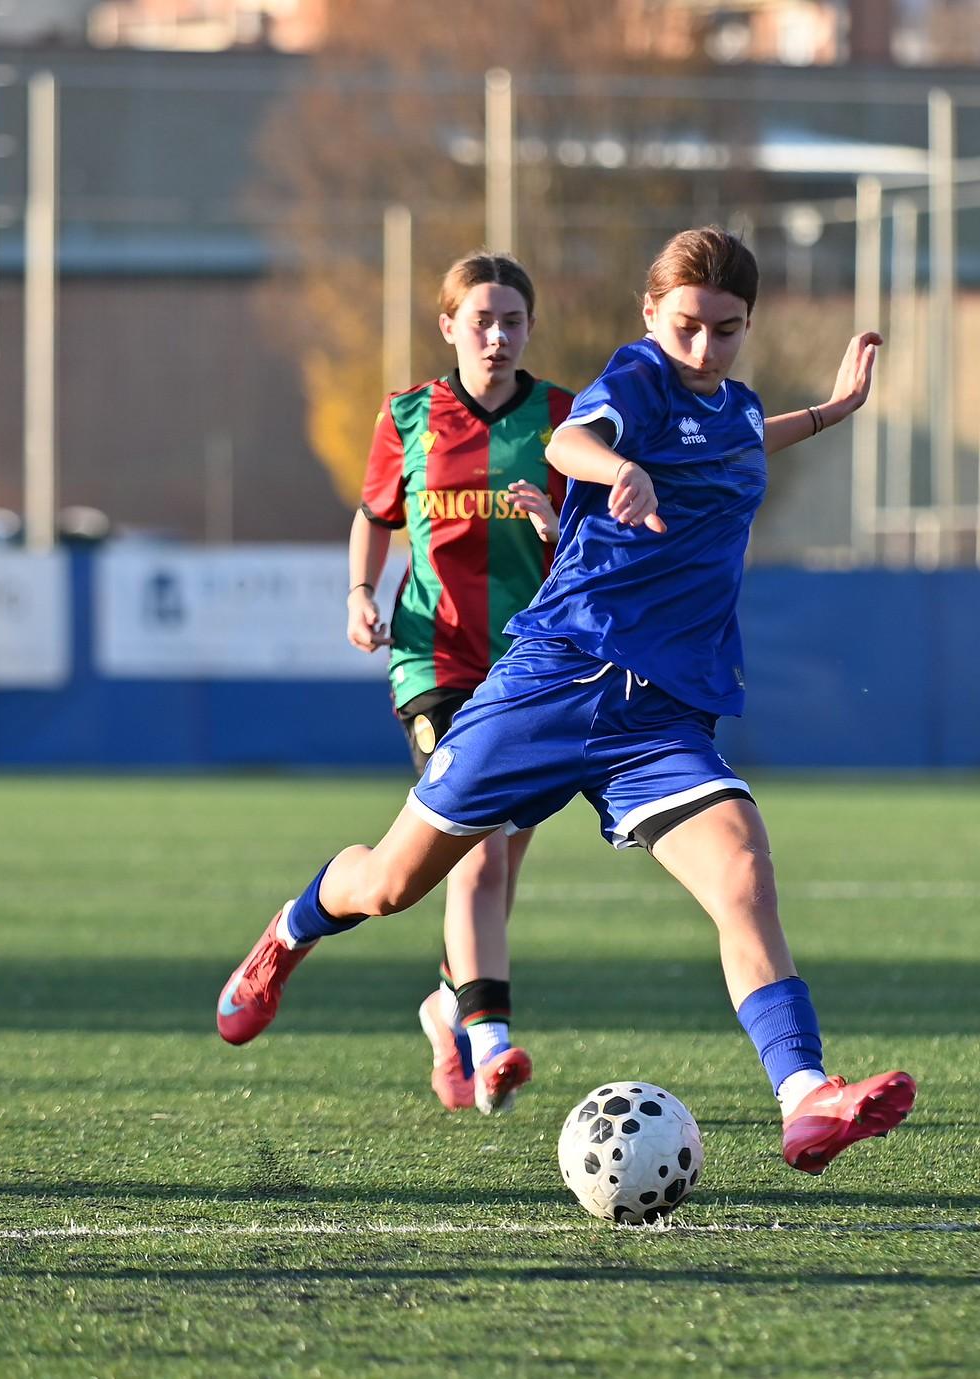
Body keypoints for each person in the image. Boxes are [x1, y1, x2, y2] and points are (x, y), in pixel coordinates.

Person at [218, 226, 915, 1175]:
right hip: (553, 683)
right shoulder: (633, 381)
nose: (703, 348)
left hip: (659, 715)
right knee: (390, 883)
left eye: (726, 329)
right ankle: (288, 933)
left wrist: (832, 410)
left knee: (744, 874)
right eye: (686, 327)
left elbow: (743, 433)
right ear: (648, 316)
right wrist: (615, 468)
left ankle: (804, 1098)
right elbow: (568, 438)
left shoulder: (734, 409)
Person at [347, 251, 570, 1117]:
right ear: (448, 326)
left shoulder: (561, 418)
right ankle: (491, 1043)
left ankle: (446, 1004)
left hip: (529, 664)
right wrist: (360, 593)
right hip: (434, 660)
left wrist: (557, 522)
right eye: (480, 318)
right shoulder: (407, 416)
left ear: (529, 328)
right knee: (477, 843)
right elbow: (373, 518)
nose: (497, 334)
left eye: (512, 319)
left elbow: (593, 535)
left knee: (502, 858)